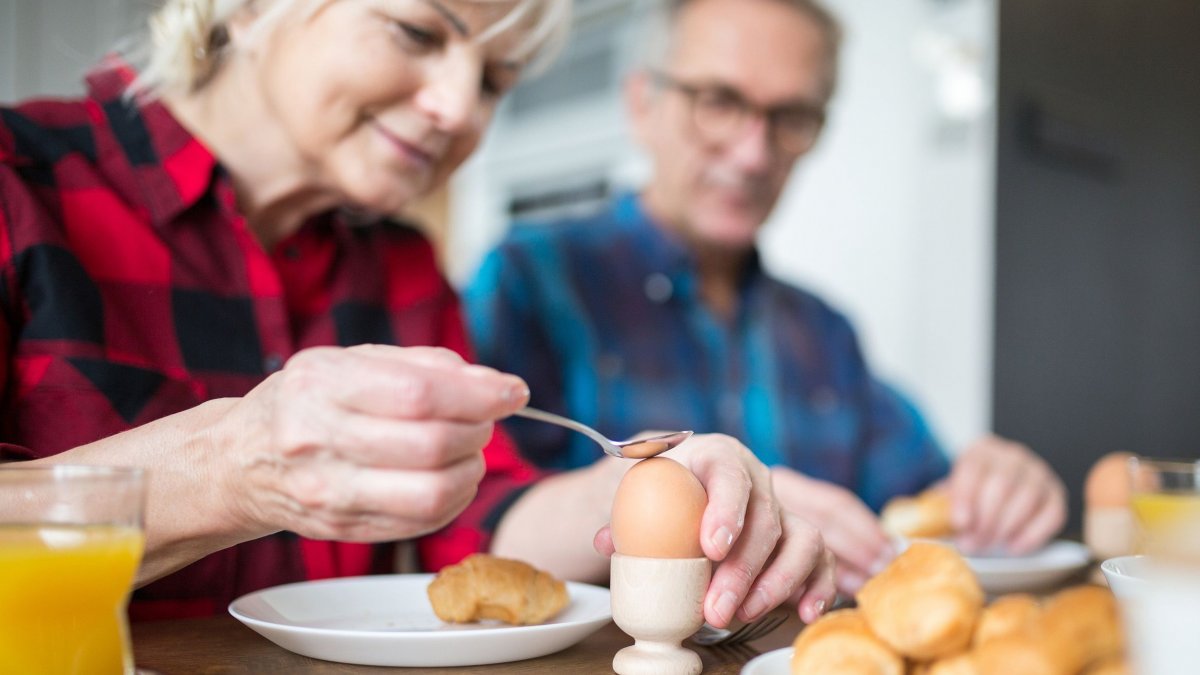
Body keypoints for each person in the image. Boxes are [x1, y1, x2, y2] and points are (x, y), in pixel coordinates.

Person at [0, 0, 834, 627]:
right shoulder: (18, 183)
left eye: (496, 80)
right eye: (416, 32)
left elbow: (478, 520)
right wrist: (228, 464)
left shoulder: (400, 267)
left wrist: (658, 483)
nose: (459, 108)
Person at [465, 0, 1067, 595]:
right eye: (719, 102)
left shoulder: (824, 333)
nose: (755, 154)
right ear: (640, 103)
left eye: (791, 115)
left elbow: (921, 502)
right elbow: (468, 528)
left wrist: (990, 490)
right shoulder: (531, 280)